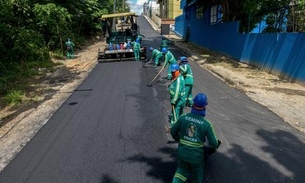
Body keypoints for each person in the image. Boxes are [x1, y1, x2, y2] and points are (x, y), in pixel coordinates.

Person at [170, 93, 220, 183]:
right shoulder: (206, 124)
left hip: (182, 153)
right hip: (196, 157)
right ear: (205, 106)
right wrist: (211, 149)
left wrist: (179, 139)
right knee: (197, 176)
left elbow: (173, 131)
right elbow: (214, 143)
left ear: (193, 104)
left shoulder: (183, 117)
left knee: (181, 171)